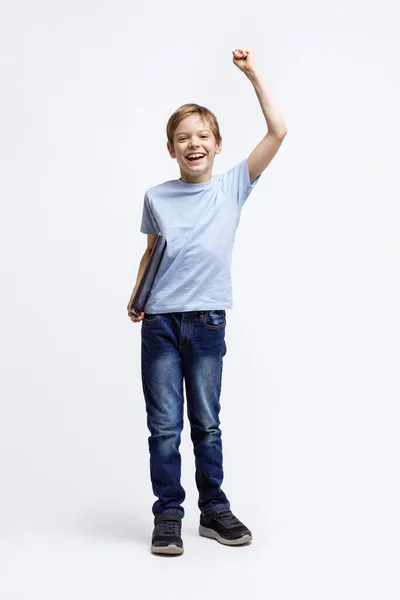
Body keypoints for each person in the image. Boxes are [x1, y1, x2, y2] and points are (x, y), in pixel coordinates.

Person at [127, 48, 287, 555]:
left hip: (206, 321)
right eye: (183, 138)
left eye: (202, 136)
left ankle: (214, 510)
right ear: (171, 149)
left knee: (207, 422)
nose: (193, 144)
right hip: (161, 324)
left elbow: (278, 132)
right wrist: (136, 298)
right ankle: (168, 515)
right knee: (164, 426)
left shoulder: (231, 188)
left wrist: (253, 74)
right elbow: (152, 253)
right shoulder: (157, 196)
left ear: (217, 146)